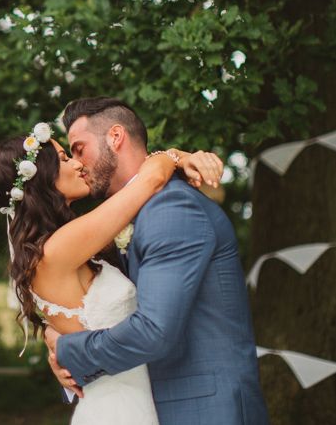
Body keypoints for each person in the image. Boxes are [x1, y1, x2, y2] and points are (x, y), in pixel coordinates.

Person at [44, 97, 270, 424]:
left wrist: (67, 351)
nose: (77, 163)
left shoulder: (171, 207)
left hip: (207, 410)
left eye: (79, 149)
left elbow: (154, 331)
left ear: (115, 137)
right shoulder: (134, 211)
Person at [0, 114, 225, 424]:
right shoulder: (59, 248)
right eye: (63, 158)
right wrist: (178, 155)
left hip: (128, 400)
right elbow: (151, 179)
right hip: (120, 409)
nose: (77, 164)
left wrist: (57, 341)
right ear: (41, 178)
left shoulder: (55, 249)